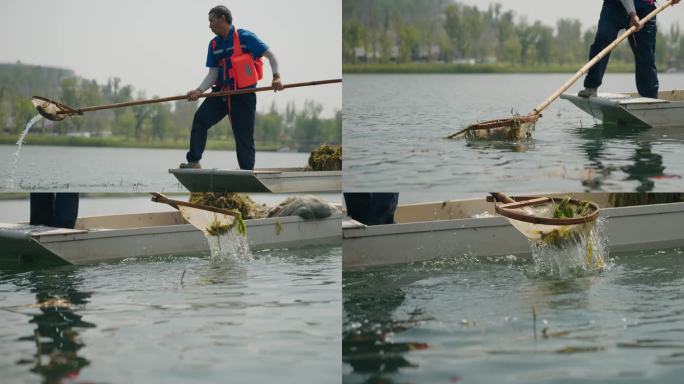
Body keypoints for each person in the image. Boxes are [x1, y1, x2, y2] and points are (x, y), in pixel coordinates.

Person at [180, 5, 284, 170]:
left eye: (211, 21)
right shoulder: (213, 45)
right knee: (200, 119)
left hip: (244, 95)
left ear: (222, 19)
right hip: (221, 94)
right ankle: (193, 161)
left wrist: (276, 76)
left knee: (243, 136)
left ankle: (247, 172)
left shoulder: (245, 37)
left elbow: (270, 55)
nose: (209, 25)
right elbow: (213, 74)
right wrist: (199, 91)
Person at [579, 0, 680, 99]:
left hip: (644, 8)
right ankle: (591, 87)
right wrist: (632, 13)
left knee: (646, 54)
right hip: (615, 6)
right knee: (603, 39)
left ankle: (649, 98)